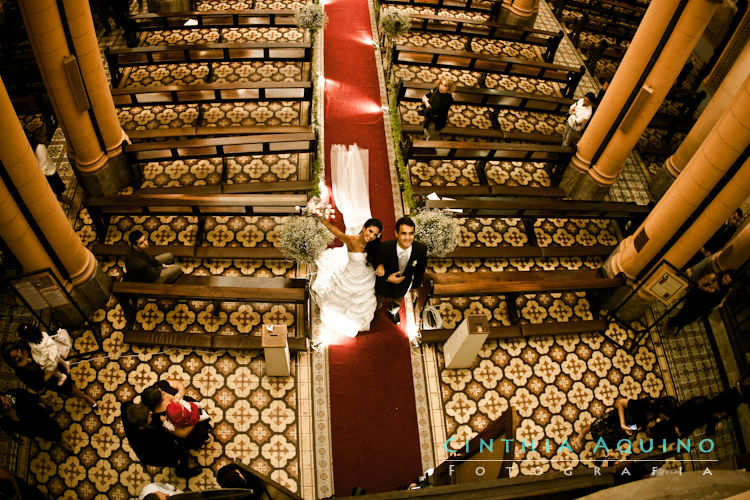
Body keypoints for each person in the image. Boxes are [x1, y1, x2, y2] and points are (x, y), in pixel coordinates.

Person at [311, 218, 382, 338]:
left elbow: (381, 255)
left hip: (366, 275)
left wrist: (381, 265)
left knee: (363, 298)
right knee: (341, 294)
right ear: (364, 228)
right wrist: (322, 221)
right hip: (350, 275)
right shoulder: (351, 240)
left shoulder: (373, 244)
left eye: (375, 234)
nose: (371, 236)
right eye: (370, 231)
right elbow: (337, 232)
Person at [0, 341, 97, 409]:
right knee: (71, 389)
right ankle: (87, 398)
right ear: (11, 361)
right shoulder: (21, 372)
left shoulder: (26, 347)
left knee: (68, 378)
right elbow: (37, 385)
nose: (20, 355)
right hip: (52, 381)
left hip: (56, 367)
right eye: (15, 357)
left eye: (18, 351)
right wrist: (51, 372)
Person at [122, 403, 201, 479]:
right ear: (141, 427)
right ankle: (182, 471)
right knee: (182, 456)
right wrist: (175, 461)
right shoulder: (147, 443)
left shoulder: (126, 407)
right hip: (160, 455)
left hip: (160, 440)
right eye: (148, 415)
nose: (151, 412)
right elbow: (158, 455)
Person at [573, 396, 677, 453]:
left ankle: (602, 446)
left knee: (610, 439)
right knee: (595, 426)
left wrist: (632, 429)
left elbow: (640, 424)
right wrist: (623, 424)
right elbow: (621, 402)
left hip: (628, 426)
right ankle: (582, 434)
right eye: (666, 415)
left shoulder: (655, 414)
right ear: (662, 408)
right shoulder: (645, 405)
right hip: (618, 418)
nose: (666, 418)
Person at [375, 217, 428, 324]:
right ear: (396, 233)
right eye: (403, 233)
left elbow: (420, 268)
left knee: (396, 302)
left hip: (403, 285)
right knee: (376, 300)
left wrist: (415, 285)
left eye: (411, 233)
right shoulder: (385, 247)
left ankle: (392, 311)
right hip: (383, 284)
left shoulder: (421, 249)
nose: (408, 238)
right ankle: (374, 310)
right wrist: (386, 277)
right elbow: (374, 262)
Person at [141, 379, 211, 450]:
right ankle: (204, 439)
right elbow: (183, 434)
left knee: (204, 426)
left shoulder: (160, 386)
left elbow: (178, 383)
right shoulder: (159, 418)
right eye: (161, 393)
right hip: (191, 427)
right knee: (199, 435)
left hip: (192, 409)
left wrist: (180, 393)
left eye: (161, 390)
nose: (164, 392)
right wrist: (194, 416)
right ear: (158, 402)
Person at [661, 271, 732, 336]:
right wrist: (707, 289)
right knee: (682, 315)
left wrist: (719, 303)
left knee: (689, 319)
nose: (724, 281)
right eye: (724, 278)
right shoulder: (713, 277)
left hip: (703, 306)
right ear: (723, 274)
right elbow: (697, 285)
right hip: (695, 299)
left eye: (727, 282)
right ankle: (667, 325)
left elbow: (723, 298)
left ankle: (673, 326)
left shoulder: (726, 289)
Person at [0, 388, 70, 450]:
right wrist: (16, 439)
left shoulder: (14, 394)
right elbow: (9, 431)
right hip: (32, 430)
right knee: (45, 435)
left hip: (40, 416)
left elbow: (32, 396)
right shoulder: (4, 420)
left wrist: (44, 401)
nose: (8, 403)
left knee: (52, 428)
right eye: (4, 405)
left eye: (5, 399)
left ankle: (60, 440)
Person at [30, 136, 73, 206]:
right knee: (57, 195)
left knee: (58, 195)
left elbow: (43, 167)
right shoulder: (40, 146)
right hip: (50, 172)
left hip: (50, 175)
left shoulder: (39, 150)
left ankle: (72, 205)